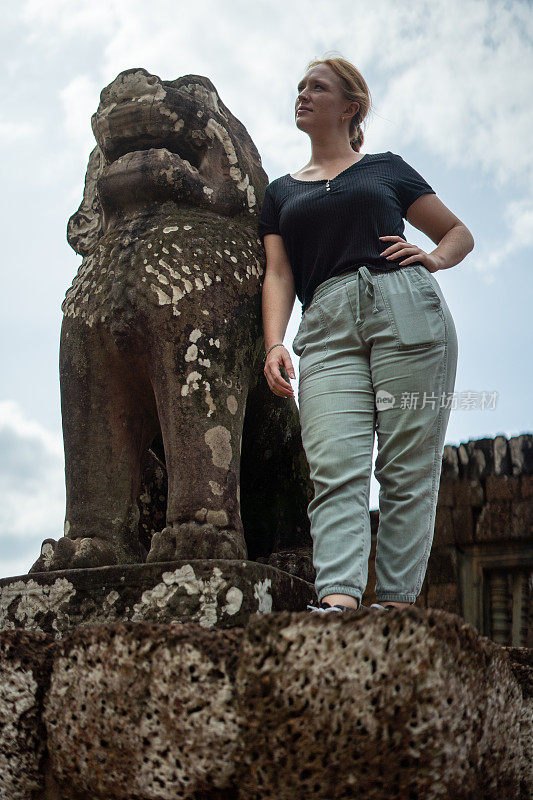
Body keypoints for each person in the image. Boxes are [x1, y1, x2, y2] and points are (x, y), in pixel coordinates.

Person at [258, 55, 474, 615]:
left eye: (317, 86)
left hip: (406, 310)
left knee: (407, 467)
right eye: (299, 85)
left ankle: (398, 609)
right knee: (333, 467)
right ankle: (338, 605)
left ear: (349, 106)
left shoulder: (386, 169)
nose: (302, 93)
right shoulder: (279, 192)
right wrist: (275, 342)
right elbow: (279, 272)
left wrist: (432, 258)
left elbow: (457, 232)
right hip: (325, 327)